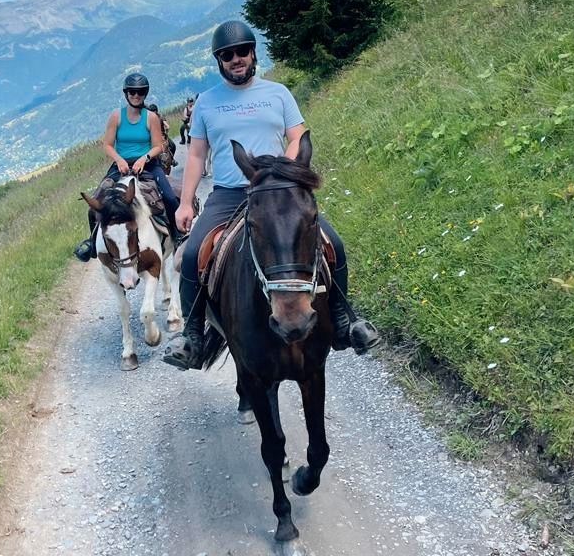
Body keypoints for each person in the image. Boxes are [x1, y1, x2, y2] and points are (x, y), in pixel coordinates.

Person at [162, 21, 378, 369]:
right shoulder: (206, 102)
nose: (236, 59)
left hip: (278, 194)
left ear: (252, 54)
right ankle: (193, 336)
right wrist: (186, 202)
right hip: (230, 194)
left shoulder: (278, 94)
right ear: (219, 61)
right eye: (227, 55)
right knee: (191, 257)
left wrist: (284, 174)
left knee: (332, 242)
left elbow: (297, 136)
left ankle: (343, 321)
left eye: (242, 52)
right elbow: (198, 155)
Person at [73, 74, 181, 262]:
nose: (136, 95)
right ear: (126, 93)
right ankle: (91, 244)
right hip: (121, 165)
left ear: (144, 94)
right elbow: (107, 144)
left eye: (140, 92)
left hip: (148, 165)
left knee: (170, 198)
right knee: (96, 204)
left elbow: (158, 146)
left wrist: (144, 158)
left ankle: (177, 234)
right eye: (132, 92)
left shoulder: (151, 118)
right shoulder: (116, 117)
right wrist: (120, 160)